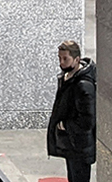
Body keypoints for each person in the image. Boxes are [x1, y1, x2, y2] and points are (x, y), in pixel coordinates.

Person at [47, 40, 97, 182]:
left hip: (79, 145)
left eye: (65, 59)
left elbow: (88, 120)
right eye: (59, 58)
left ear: (77, 59)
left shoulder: (83, 85)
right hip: (72, 143)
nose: (61, 62)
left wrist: (65, 125)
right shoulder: (67, 77)